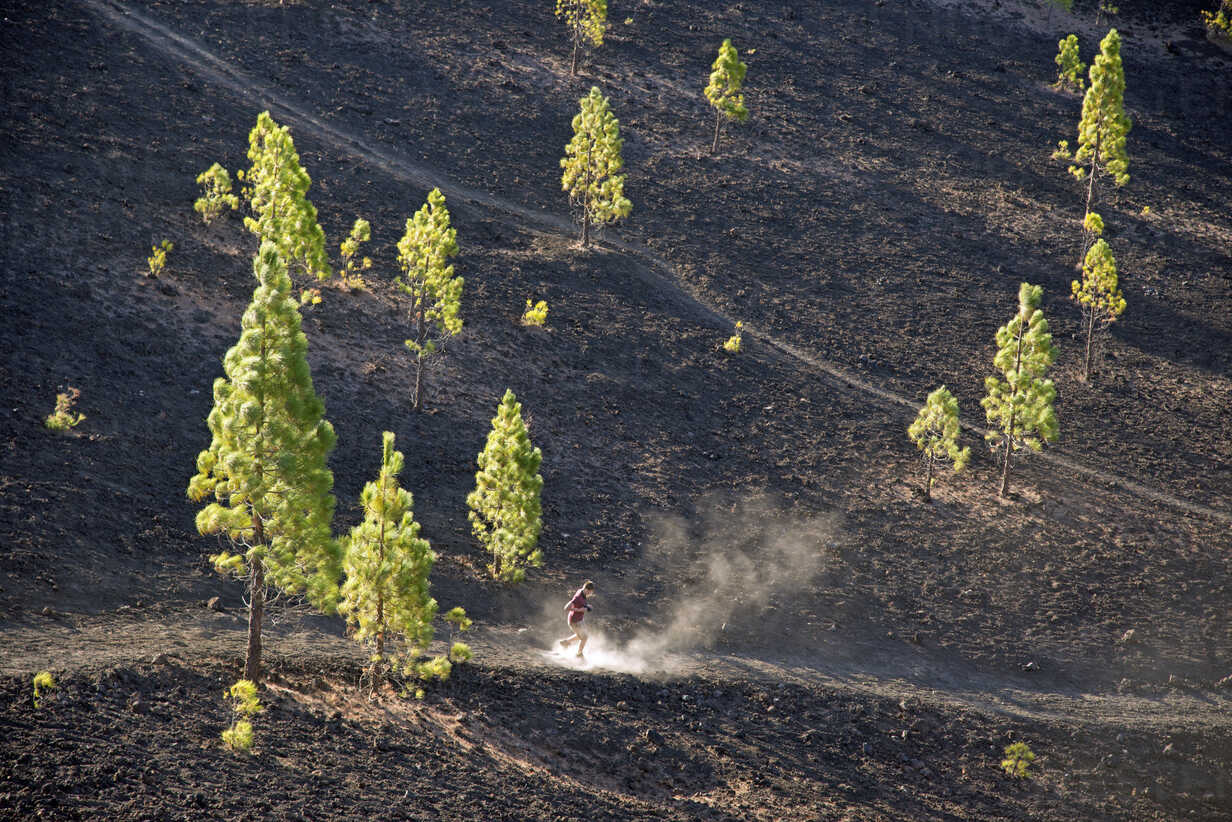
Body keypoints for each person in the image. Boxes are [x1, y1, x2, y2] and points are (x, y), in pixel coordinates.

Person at [558, 580, 595, 658]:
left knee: (581, 635)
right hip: (575, 621)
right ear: (586, 589)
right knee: (584, 637)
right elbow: (566, 608)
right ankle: (579, 654)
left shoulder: (582, 592)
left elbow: (581, 604)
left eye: (590, 593)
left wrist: (587, 606)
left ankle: (565, 642)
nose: (589, 594)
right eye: (589, 592)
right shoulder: (578, 597)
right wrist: (579, 610)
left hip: (579, 620)